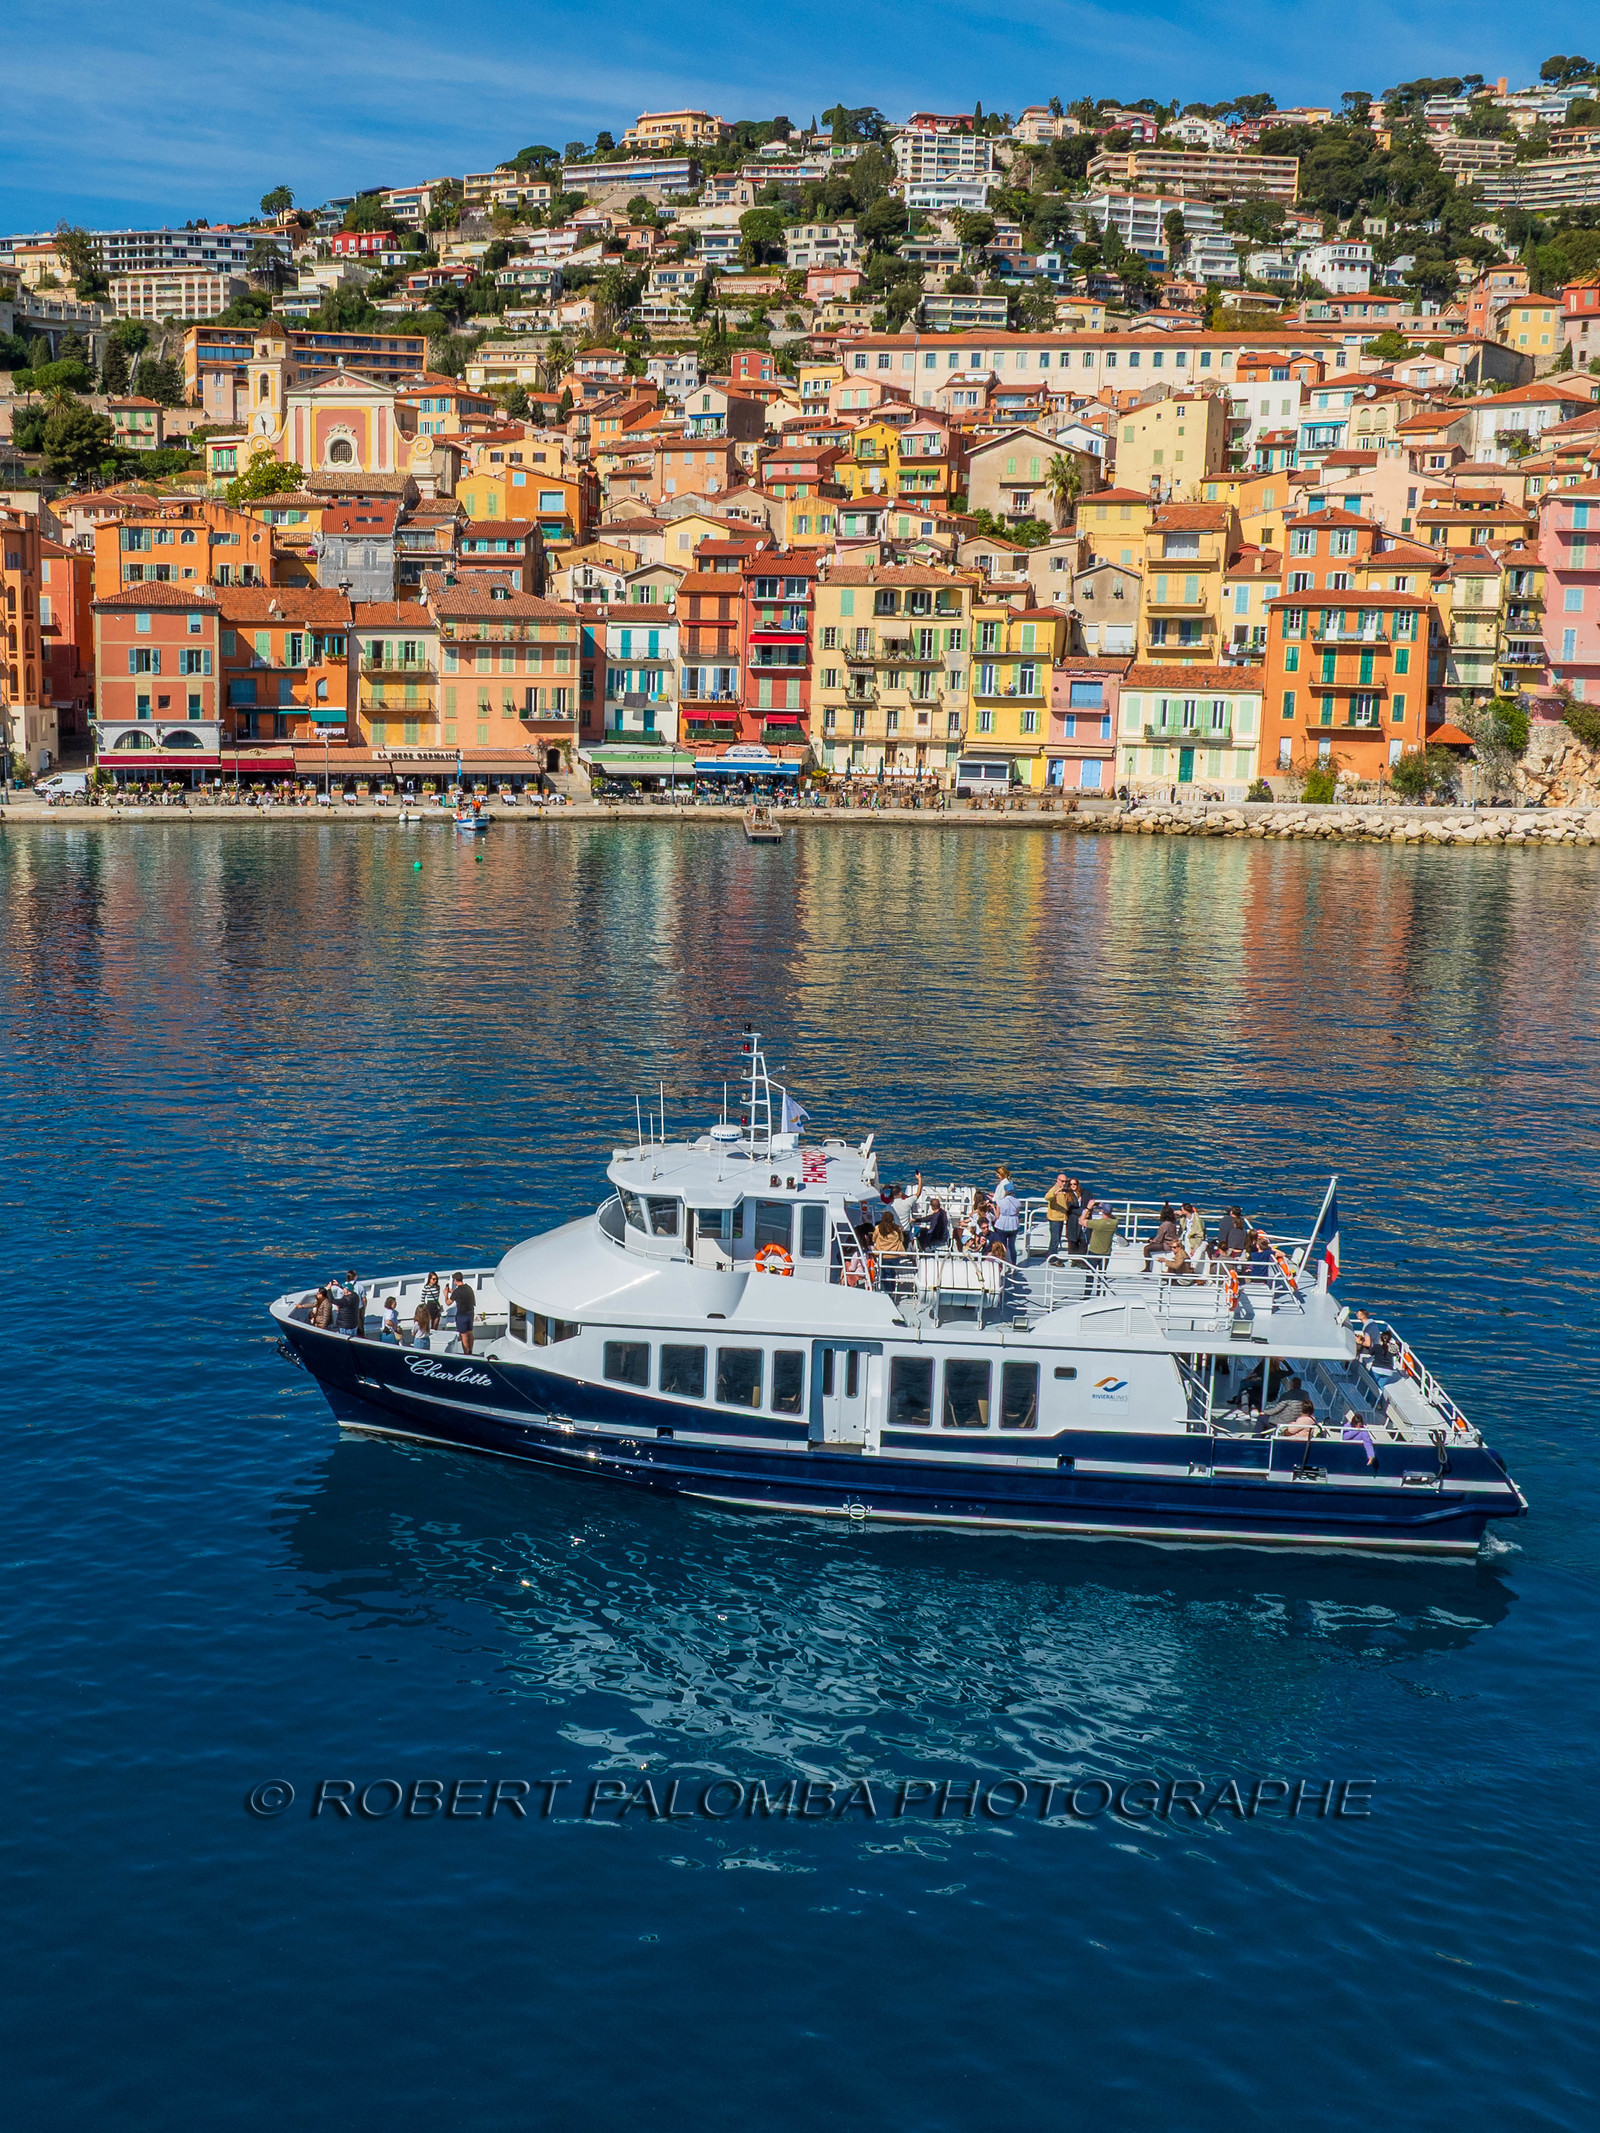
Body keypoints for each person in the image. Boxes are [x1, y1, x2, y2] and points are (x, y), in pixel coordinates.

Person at [991, 1171, 1021, 1263]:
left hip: (1002, 1224)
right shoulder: (1018, 1202)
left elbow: (997, 1215)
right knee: (1012, 1247)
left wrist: (992, 1207)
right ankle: (1014, 1264)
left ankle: (1002, 1263)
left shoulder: (1000, 1202)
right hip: (1013, 1225)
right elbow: (1017, 1214)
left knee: (1002, 1246)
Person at [1085, 1202, 1119, 1269]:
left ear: (1102, 1211)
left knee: (1090, 1273)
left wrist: (1088, 1208)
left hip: (1094, 1251)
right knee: (1102, 1273)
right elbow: (1113, 1217)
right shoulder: (1115, 1222)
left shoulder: (1097, 1223)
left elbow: (1081, 1221)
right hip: (1106, 1252)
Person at [1045, 1173, 1072, 1257]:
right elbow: (1047, 1197)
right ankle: (1052, 1257)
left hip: (1060, 1217)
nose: (1064, 1183)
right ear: (1058, 1180)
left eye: (1066, 1181)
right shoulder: (1054, 1189)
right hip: (1055, 1219)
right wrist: (1055, 1193)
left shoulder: (1063, 1189)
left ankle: (1053, 1255)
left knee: (1057, 1239)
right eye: (1062, 1181)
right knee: (1055, 1239)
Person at [450, 1272, 476, 1355]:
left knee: (463, 1335)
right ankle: (471, 1351)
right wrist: (453, 1292)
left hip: (462, 1315)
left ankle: (466, 1353)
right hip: (470, 1313)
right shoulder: (468, 1288)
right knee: (470, 1332)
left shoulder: (456, 1292)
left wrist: (445, 1294)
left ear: (455, 1280)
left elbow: (448, 1303)